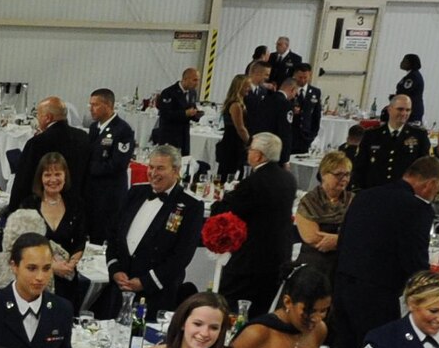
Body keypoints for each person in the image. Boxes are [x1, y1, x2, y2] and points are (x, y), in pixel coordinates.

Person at [330, 156, 439, 348]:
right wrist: (428, 291)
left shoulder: (364, 196)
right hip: (377, 295)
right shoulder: (417, 209)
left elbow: (343, 240)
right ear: (430, 184)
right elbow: (414, 259)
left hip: (343, 284)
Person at [106, 144, 204, 315]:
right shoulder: (135, 192)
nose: (153, 173)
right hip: (120, 289)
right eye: (151, 167)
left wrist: (146, 282)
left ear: (176, 170)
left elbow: (182, 256)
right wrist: (115, 270)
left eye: (160, 168)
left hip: (157, 295)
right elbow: (114, 235)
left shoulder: (191, 206)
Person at [210, 133, 298, 319]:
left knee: (229, 309)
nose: (248, 153)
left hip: (250, 260)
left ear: (258, 155)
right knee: (261, 313)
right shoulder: (288, 179)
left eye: (250, 150)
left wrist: (220, 202)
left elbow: (226, 210)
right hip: (278, 258)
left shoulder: (254, 182)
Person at [16, 151, 88, 287]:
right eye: (47, 175)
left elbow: (80, 240)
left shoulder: (76, 204)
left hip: (67, 278)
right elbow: (22, 244)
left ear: (65, 176)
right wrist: (51, 267)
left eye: (58, 174)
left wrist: (71, 264)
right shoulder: (29, 205)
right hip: (35, 279)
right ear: (40, 178)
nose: (53, 180)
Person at [18, 98, 92, 215]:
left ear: (47, 117)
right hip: (76, 207)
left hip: (42, 207)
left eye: (38, 115)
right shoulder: (83, 137)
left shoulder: (37, 142)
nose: (37, 119)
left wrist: (14, 209)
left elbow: (24, 179)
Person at [82, 89, 135, 246]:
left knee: (102, 236)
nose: (91, 109)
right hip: (91, 193)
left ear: (108, 105)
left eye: (95, 105)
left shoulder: (122, 130)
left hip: (108, 195)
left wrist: (89, 168)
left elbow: (117, 164)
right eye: (90, 105)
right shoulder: (94, 128)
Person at [351, 92, 431, 191]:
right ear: (390, 109)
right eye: (400, 109)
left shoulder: (419, 136)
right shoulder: (372, 135)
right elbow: (360, 167)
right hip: (375, 192)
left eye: (408, 110)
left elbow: (424, 169)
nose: (404, 113)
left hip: (404, 193)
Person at [294, 149, 355, 274]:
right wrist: (346, 241)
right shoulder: (309, 201)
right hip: (314, 262)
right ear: (323, 174)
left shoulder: (354, 200)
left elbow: (362, 233)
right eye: (338, 174)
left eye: (347, 174)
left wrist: (337, 240)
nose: (344, 179)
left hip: (345, 262)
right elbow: (311, 238)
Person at [214, 70, 253, 181]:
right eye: (247, 86)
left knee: (226, 172)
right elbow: (240, 128)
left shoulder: (236, 103)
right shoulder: (236, 105)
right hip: (233, 145)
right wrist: (250, 143)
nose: (249, 89)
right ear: (239, 87)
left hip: (231, 143)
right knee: (229, 174)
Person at [152, 68, 203, 152]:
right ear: (185, 79)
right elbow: (165, 114)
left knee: (184, 160)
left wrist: (196, 114)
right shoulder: (169, 92)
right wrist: (185, 113)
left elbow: (191, 108)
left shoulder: (192, 93)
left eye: (198, 80)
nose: (197, 83)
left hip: (184, 135)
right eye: (194, 80)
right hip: (169, 135)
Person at [395, 53, 425, 126]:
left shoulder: (413, 77)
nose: (401, 63)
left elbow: (405, 92)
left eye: (404, 61)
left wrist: (395, 98)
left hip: (412, 111)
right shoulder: (411, 75)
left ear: (410, 63)